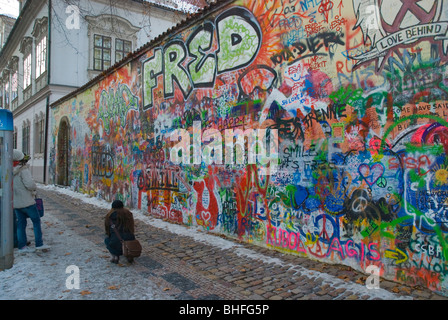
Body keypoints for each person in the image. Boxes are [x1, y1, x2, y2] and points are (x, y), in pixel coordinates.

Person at [13, 149, 49, 253]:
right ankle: (39, 244)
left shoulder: (9, 170)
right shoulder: (23, 170)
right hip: (28, 202)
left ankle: (22, 246)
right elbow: (30, 185)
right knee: (36, 221)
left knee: (20, 224)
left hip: (17, 203)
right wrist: (34, 187)